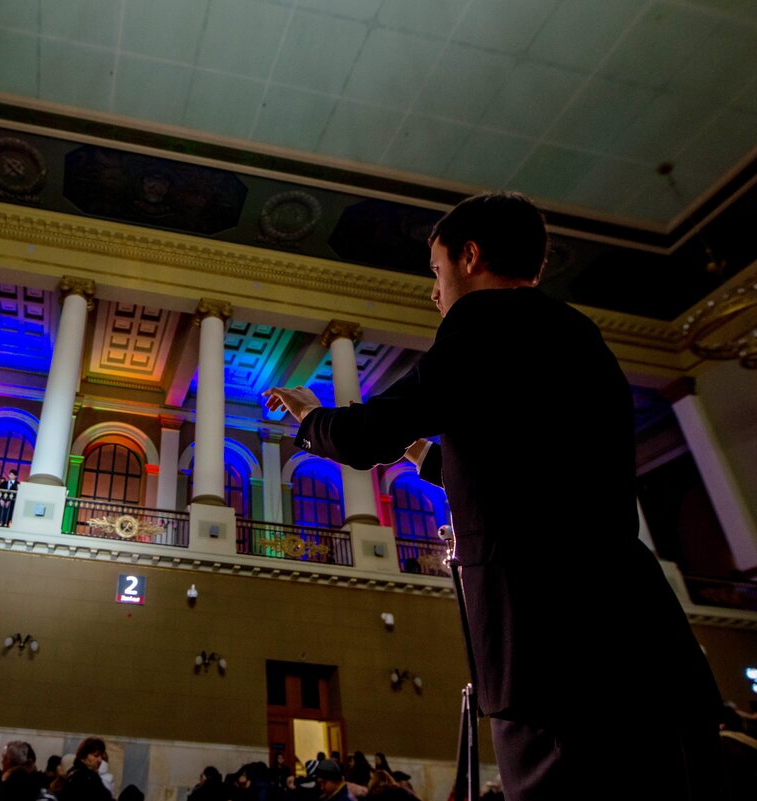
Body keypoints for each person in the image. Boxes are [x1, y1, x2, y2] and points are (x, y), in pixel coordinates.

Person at [263, 192, 723, 800]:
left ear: (470, 256)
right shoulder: (578, 332)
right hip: (640, 636)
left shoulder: (482, 323)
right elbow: (535, 474)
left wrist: (311, 416)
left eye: (436, 270)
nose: (435, 292)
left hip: (549, 650)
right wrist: (423, 456)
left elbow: (366, 435)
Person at [57, 737, 112, 801]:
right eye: (96, 755)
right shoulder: (80, 778)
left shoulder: (91, 776)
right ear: (83, 756)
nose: (100, 760)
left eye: (101, 756)